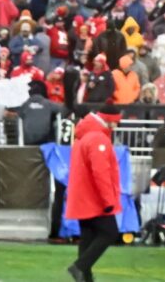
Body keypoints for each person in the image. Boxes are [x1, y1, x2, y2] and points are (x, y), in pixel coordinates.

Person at [66, 102, 123, 282]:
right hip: (95, 198)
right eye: (116, 121)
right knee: (109, 232)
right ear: (109, 120)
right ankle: (80, 267)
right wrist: (108, 201)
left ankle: (85, 278)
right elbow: (101, 173)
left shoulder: (84, 136)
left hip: (83, 196)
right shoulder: (98, 138)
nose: (117, 124)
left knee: (88, 237)